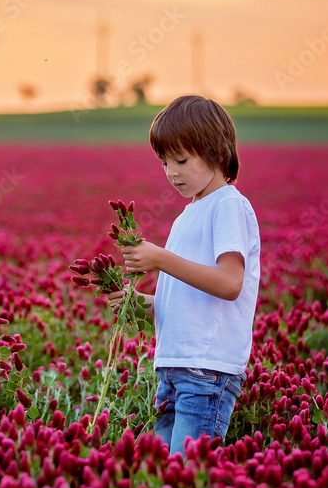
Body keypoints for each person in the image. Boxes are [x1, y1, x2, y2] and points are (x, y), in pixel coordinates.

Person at [106, 95, 260, 456]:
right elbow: (183, 302)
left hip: (206, 371)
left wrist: (160, 258)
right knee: (165, 476)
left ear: (217, 153)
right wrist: (137, 302)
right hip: (174, 368)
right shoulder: (187, 215)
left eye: (181, 160)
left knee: (185, 475)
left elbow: (229, 283)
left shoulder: (227, 205)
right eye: (163, 162)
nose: (171, 172)